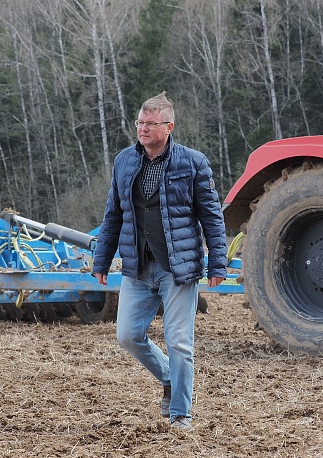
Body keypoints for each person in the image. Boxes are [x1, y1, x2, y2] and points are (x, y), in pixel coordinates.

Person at [92, 92, 228, 430]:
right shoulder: (124, 161)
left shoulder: (193, 162)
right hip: (137, 266)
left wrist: (218, 264)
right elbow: (113, 214)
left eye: (151, 124)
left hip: (178, 269)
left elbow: (211, 216)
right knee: (127, 335)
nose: (143, 129)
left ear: (169, 126)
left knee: (179, 342)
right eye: (140, 123)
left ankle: (181, 415)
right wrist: (102, 259)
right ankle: (168, 376)